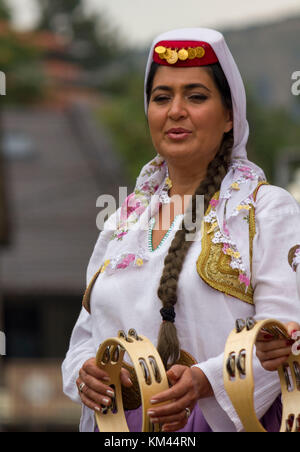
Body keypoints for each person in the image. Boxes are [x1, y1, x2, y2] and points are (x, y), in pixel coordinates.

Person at [62, 28, 300, 432]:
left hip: (223, 419)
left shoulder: (265, 209)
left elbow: (286, 341)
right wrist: (85, 374)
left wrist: (203, 381)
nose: (175, 110)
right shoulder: (123, 222)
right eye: (161, 98)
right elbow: (84, 336)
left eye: (196, 96)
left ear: (229, 116)